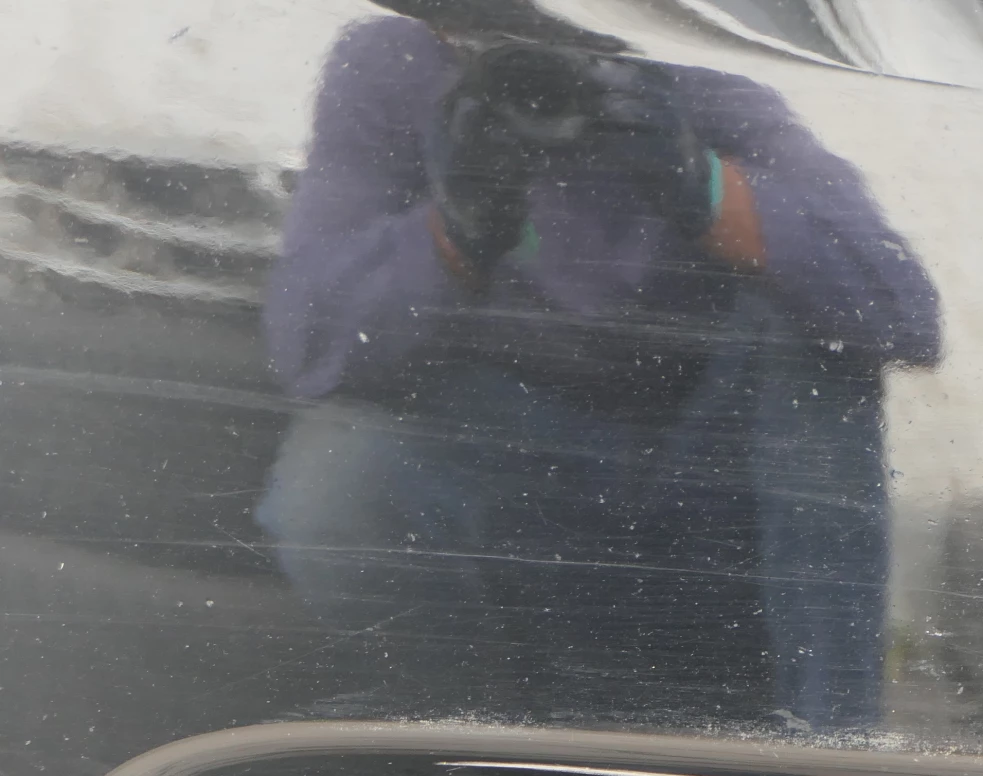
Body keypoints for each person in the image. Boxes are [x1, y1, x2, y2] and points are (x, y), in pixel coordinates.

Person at [258, 0, 940, 726]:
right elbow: (304, 347)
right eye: (496, 38)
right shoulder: (396, 64)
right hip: (507, 470)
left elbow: (903, 312)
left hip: (699, 489)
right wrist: (453, 232)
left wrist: (704, 184)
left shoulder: (692, 74)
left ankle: (830, 747)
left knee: (819, 348)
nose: (540, 60)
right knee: (333, 478)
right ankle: (472, 744)